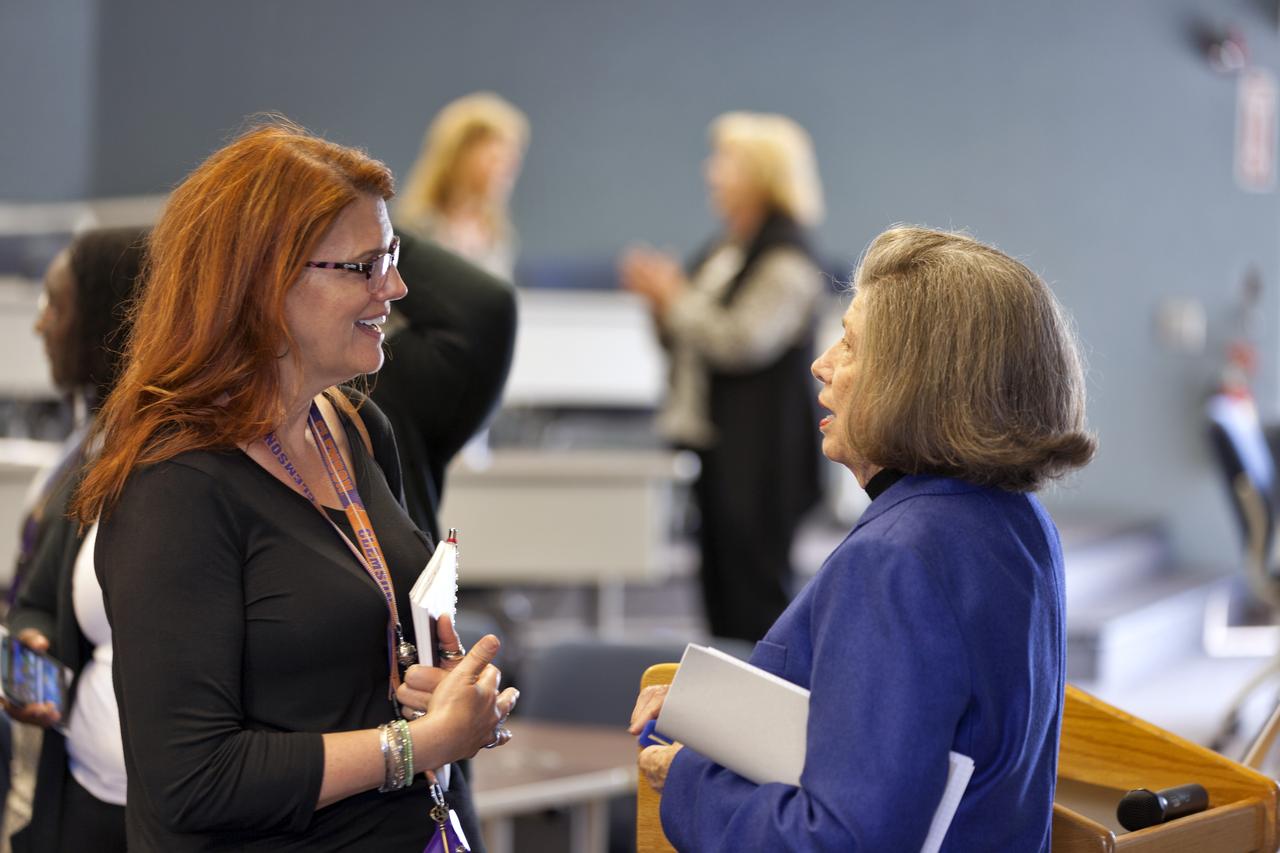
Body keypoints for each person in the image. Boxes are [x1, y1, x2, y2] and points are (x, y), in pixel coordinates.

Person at [71, 119, 517, 852]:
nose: (397, 288)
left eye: (394, 255)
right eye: (366, 265)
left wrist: (439, 689)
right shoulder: (176, 485)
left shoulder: (355, 428)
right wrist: (415, 745)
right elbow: (193, 777)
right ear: (261, 282)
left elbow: (347, 643)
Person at [630, 226, 1096, 851]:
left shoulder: (895, 559)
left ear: (917, 379)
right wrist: (716, 715)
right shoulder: (1015, 521)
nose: (822, 366)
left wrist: (687, 776)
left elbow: (841, 840)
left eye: (849, 345)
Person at [620, 111, 825, 643]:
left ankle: (763, 704)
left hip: (763, 457)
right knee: (718, 589)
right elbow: (692, 339)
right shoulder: (727, 248)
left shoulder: (786, 255)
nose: (712, 174)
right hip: (720, 447)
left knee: (755, 593)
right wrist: (660, 306)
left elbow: (742, 341)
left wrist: (674, 298)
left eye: (725, 162)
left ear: (762, 173)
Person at [3, 228, 146, 853]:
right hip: (56, 754)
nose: (41, 326)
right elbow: (41, 590)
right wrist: (31, 633)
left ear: (101, 321)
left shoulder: (140, 455)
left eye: (55, 306)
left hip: (121, 796)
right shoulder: (90, 440)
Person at [369, 232, 516, 541]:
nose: (396, 288)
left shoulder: (379, 388)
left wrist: (362, 223)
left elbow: (484, 307)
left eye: (387, 259)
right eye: (359, 265)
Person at [397, 92, 528, 279]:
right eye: (495, 160)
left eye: (510, 161)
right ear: (459, 158)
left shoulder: (498, 236)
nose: (506, 172)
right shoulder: (418, 229)